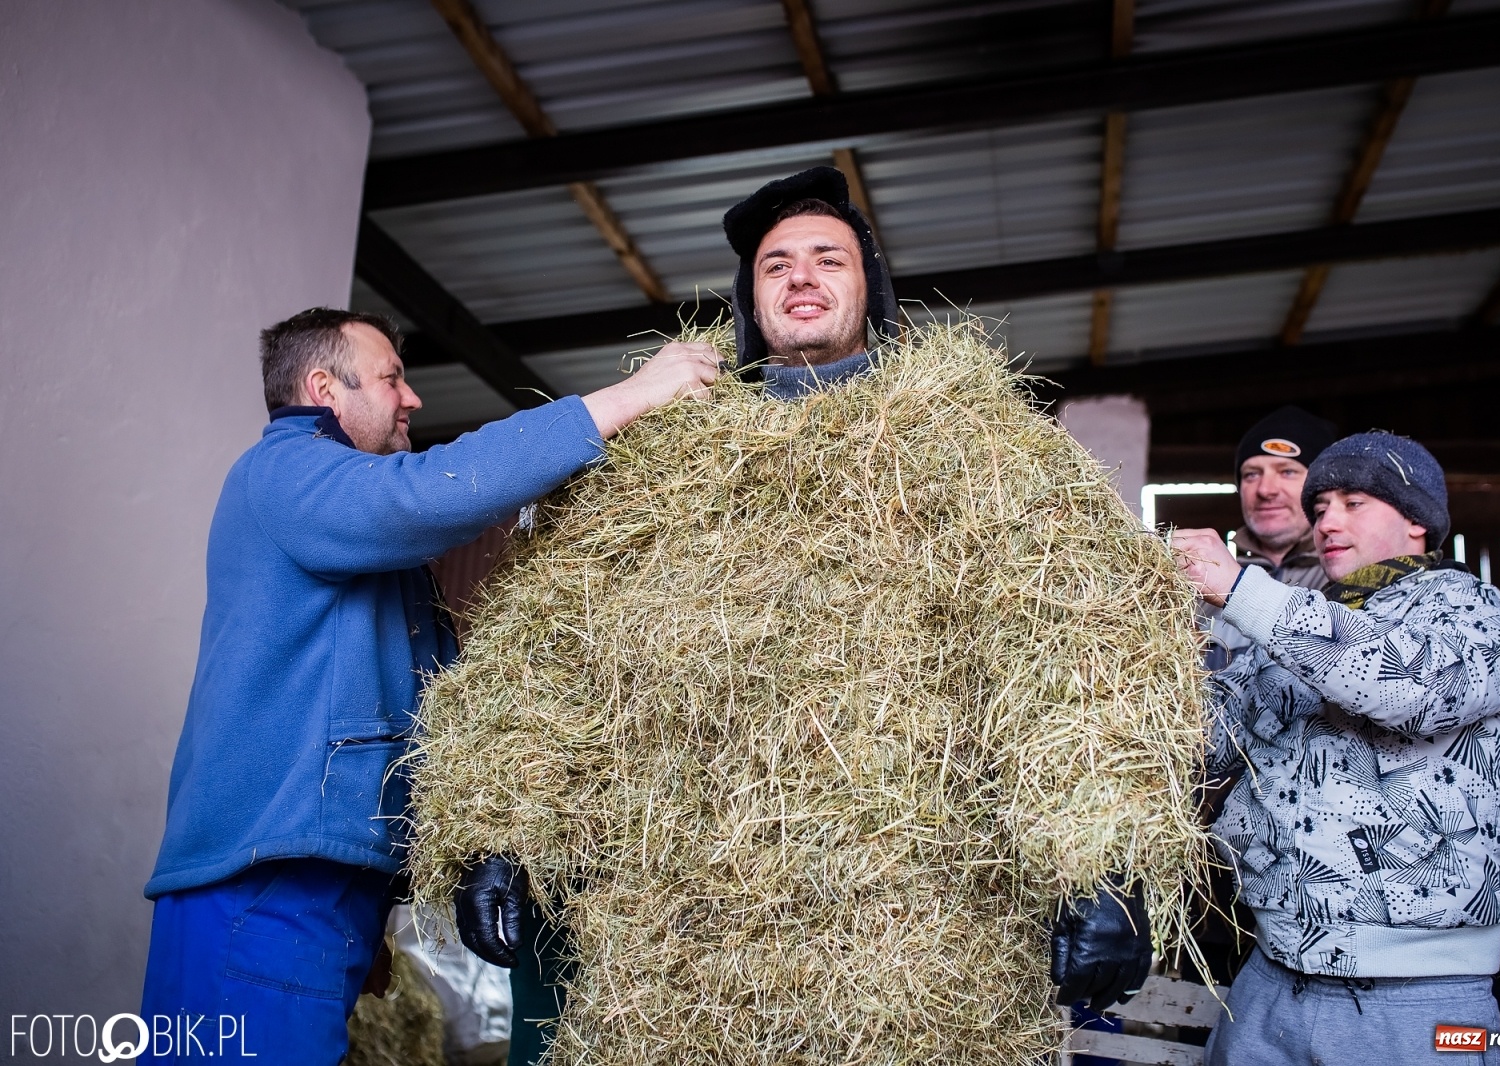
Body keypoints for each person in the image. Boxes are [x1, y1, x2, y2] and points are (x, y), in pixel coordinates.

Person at [452, 168, 1156, 1052]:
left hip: (910, 942)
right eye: (776, 265)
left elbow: (1075, 653)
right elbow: (550, 653)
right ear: (750, 303)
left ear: (873, 292)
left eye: (829, 258)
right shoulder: (655, 465)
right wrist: (498, 825)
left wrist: (1104, 862)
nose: (801, 276)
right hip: (677, 945)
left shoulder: (978, 451)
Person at [139, 307, 718, 1064]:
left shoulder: (360, 543)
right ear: (323, 388)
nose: (412, 398)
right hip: (263, 889)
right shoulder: (284, 469)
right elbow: (424, 495)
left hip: (318, 892)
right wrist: (626, 400)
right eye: (392, 378)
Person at [1172, 432, 1500, 1066]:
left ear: (1417, 520)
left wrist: (1242, 591)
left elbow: (1405, 686)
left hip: (1420, 999)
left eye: (1353, 503)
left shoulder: (1472, 611)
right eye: (1319, 509)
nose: (1327, 522)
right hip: (1271, 978)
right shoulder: (1295, 629)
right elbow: (1203, 747)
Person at [1203, 406, 1338, 672]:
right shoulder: (1204, 581)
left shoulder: (1341, 579)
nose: (1265, 490)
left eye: (1287, 471)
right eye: (1252, 474)